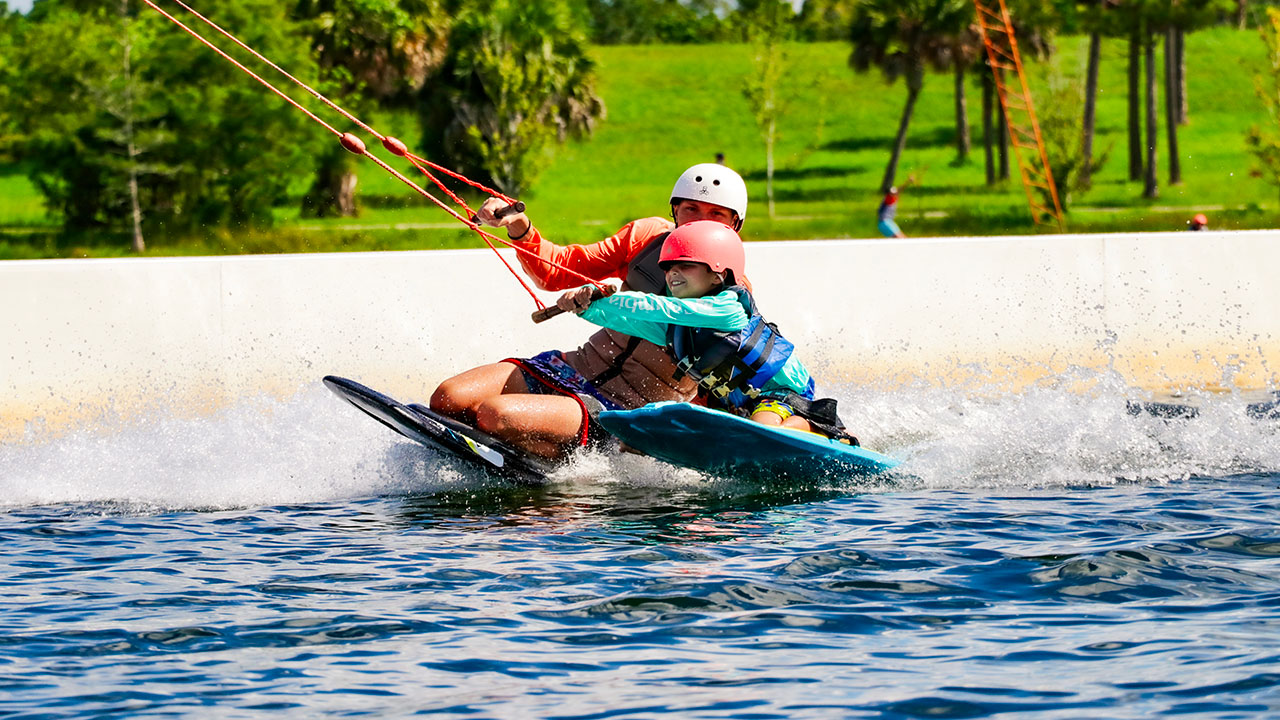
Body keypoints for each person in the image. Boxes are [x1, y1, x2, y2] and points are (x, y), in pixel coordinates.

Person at [429, 164, 750, 460]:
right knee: (447, 399)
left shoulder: (733, 291)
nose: (699, 220)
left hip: (626, 410)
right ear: (675, 210)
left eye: (715, 214)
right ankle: (537, 447)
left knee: (494, 415)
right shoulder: (646, 237)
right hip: (575, 368)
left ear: (734, 224)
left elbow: (724, 376)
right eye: (691, 208)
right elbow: (556, 272)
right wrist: (520, 227)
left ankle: (567, 464)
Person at [557, 221, 855, 439]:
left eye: (685, 265)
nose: (672, 273)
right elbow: (630, 321)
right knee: (643, 442)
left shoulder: (727, 309)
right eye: (668, 266)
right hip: (740, 407)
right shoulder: (677, 330)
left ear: (718, 275)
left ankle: (819, 425)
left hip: (782, 395)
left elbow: (659, 308)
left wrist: (609, 296)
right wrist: (587, 306)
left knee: (763, 431)